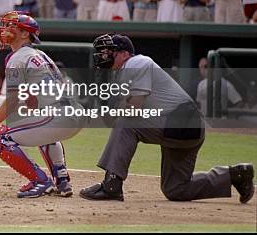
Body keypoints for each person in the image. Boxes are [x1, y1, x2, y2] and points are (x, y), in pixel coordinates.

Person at [80, 34, 254, 204]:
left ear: (125, 54)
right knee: (176, 189)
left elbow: (131, 111)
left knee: (127, 121)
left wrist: (112, 107)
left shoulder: (137, 62)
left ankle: (112, 185)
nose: (103, 56)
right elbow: (112, 122)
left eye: (109, 52)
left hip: (182, 123)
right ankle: (236, 175)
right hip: (183, 127)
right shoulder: (122, 74)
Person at [0, 11, 82, 198]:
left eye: (12, 26)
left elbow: (14, 98)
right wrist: (3, 112)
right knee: (41, 131)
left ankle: (40, 181)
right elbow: (31, 101)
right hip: (71, 113)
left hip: (57, 114)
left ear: (25, 34)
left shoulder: (18, 57)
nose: (5, 29)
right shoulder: (39, 55)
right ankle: (61, 181)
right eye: (6, 25)